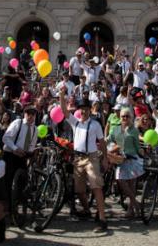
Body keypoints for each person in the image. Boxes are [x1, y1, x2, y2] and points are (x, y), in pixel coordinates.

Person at [59, 90, 108, 233]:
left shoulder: (95, 124)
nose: (84, 112)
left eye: (86, 109)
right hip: (78, 158)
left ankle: (103, 219)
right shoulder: (76, 123)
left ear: (90, 111)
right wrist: (62, 97)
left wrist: (104, 158)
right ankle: (87, 210)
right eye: (82, 110)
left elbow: (102, 142)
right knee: (79, 190)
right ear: (80, 111)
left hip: (91, 157)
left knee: (96, 186)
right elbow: (64, 111)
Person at [107, 107, 144, 218]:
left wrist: (142, 153)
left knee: (132, 185)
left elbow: (137, 147)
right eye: (123, 116)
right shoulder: (116, 129)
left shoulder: (134, 130)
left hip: (132, 158)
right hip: (120, 159)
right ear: (120, 117)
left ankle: (130, 210)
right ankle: (136, 203)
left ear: (131, 117)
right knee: (120, 180)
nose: (125, 118)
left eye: (127, 116)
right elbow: (109, 139)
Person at [2, 106, 38, 197]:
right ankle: (6, 203)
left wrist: (29, 154)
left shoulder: (35, 129)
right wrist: (15, 148)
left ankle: (16, 203)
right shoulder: (18, 123)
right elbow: (5, 138)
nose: (30, 116)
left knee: (22, 181)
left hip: (22, 156)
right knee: (8, 180)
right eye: (28, 114)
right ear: (24, 114)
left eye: (33, 114)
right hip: (10, 155)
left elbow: (32, 145)